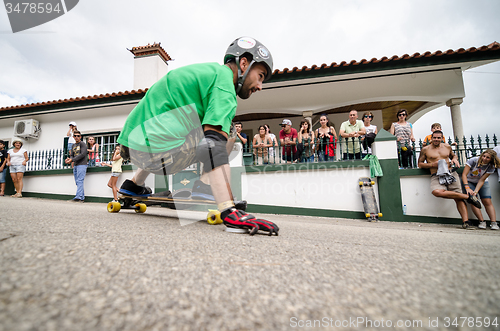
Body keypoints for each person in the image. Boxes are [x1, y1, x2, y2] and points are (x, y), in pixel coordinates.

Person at [115, 37, 278, 235]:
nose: (260, 86)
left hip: (131, 145)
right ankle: (205, 186)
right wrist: (229, 209)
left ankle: (133, 185)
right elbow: (213, 145)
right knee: (225, 132)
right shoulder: (224, 84)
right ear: (244, 63)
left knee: (197, 125)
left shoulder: (208, 73)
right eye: (260, 76)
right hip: (158, 150)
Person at [418, 130, 482, 229]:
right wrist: (432, 164)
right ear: (431, 138)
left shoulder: (447, 146)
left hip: (451, 173)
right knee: (437, 192)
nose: (436, 139)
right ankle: (468, 197)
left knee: (458, 198)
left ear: (441, 138)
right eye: (434, 137)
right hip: (436, 174)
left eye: (439, 138)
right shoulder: (425, 149)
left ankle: (466, 222)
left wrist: (455, 159)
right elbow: (420, 164)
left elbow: (453, 155)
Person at [461, 149, 500, 230]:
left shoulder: (491, 166)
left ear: (491, 159)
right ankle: (481, 221)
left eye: (488, 158)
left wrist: (476, 191)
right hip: (469, 181)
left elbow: (482, 180)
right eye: (484, 156)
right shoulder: (473, 161)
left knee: (487, 201)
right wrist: (467, 187)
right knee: (474, 200)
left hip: (482, 182)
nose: (484, 158)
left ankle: (493, 223)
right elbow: (464, 174)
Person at [65, 130, 88, 202]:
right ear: (73, 137)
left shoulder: (82, 144)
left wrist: (72, 160)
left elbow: (82, 154)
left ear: (80, 137)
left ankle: (78, 197)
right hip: (76, 165)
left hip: (82, 164)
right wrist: (69, 159)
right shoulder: (73, 145)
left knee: (80, 180)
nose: (77, 137)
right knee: (77, 181)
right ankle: (81, 197)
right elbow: (72, 155)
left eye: (78, 136)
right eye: (75, 136)